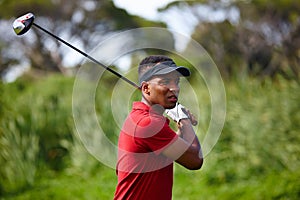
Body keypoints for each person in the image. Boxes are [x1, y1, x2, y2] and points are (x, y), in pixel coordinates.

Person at [114, 55, 203, 200]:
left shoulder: (141, 118)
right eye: (165, 82)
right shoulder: (148, 123)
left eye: (177, 81)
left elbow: (171, 147)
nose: (174, 88)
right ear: (146, 88)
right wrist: (183, 119)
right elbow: (195, 160)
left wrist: (181, 127)